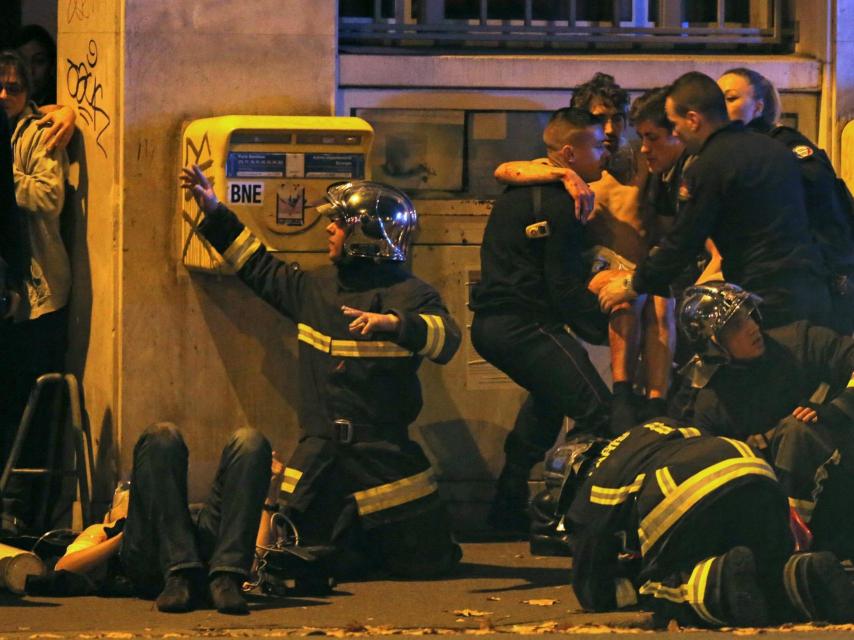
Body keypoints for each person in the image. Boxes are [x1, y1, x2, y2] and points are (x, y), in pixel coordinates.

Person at [181, 168, 462, 581]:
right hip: (320, 458)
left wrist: (394, 324)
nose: (328, 228)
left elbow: (447, 341)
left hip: (386, 459)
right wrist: (216, 212)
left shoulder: (412, 295)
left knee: (429, 563)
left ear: (368, 233)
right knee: (292, 558)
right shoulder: (316, 288)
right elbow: (258, 268)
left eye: (339, 222)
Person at [470, 107, 615, 531]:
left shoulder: (526, 191)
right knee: (600, 415)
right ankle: (568, 515)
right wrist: (610, 329)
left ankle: (507, 505)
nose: (604, 153)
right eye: (597, 146)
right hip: (524, 326)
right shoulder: (558, 201)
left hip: (495, 325)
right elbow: (565, 290)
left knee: (550, 403)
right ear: (569, 153)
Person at [561, 419, 854, 628]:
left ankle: (709, 587)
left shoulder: (593, 486)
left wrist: (629, 580)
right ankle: (802, 576)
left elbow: (591, 588)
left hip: (688, 490)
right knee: (763, 569)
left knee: (659, 587)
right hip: (756, 475)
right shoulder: (653, 430)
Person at [599, 72, 831, 330]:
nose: (676, 133)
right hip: (811, 289)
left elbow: (684, 240)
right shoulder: (770, 147)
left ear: (693, 120)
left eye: (675, 125)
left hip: (768, 299)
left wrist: (634, 285)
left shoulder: (709, 165)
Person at [675, 281, 854, 560]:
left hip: (845, 471)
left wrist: (838, 408)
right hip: (778, 509)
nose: (751, 327)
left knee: (798, 431)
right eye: (734, 326)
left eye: (748, 314)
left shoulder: (800, 341)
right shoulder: (713, 405)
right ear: (713, 346)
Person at [55, 422, 272, 614]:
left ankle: (226, 578)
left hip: (210, 557)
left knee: (250, 441)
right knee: (160, 436)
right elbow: (65, 567)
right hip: (150, 559)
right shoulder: (105, 529)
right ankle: (179, 574)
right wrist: (122, 535)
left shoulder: (189, 514)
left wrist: (265, 498)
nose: (128, 493)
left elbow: (257, 554)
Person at [717, 67, 854, 335]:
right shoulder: (733, 155)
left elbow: (826, 212)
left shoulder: (787, 147)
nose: (720, 107)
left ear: (758, 107)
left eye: (730, 98)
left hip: (810, 287)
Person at [0, 50, 70, 532]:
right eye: (0, 86)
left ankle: (19, 510)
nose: (5, 95)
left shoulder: (38, 133)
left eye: (15, 87)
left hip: (38, 290)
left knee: (29, 402)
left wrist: (6, 181)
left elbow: (48, 196)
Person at [12, 25, 56, 107]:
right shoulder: (6, 102)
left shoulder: (61, 99)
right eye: (23, 61)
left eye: (39, 61)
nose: (30, 70)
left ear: (51, 66)